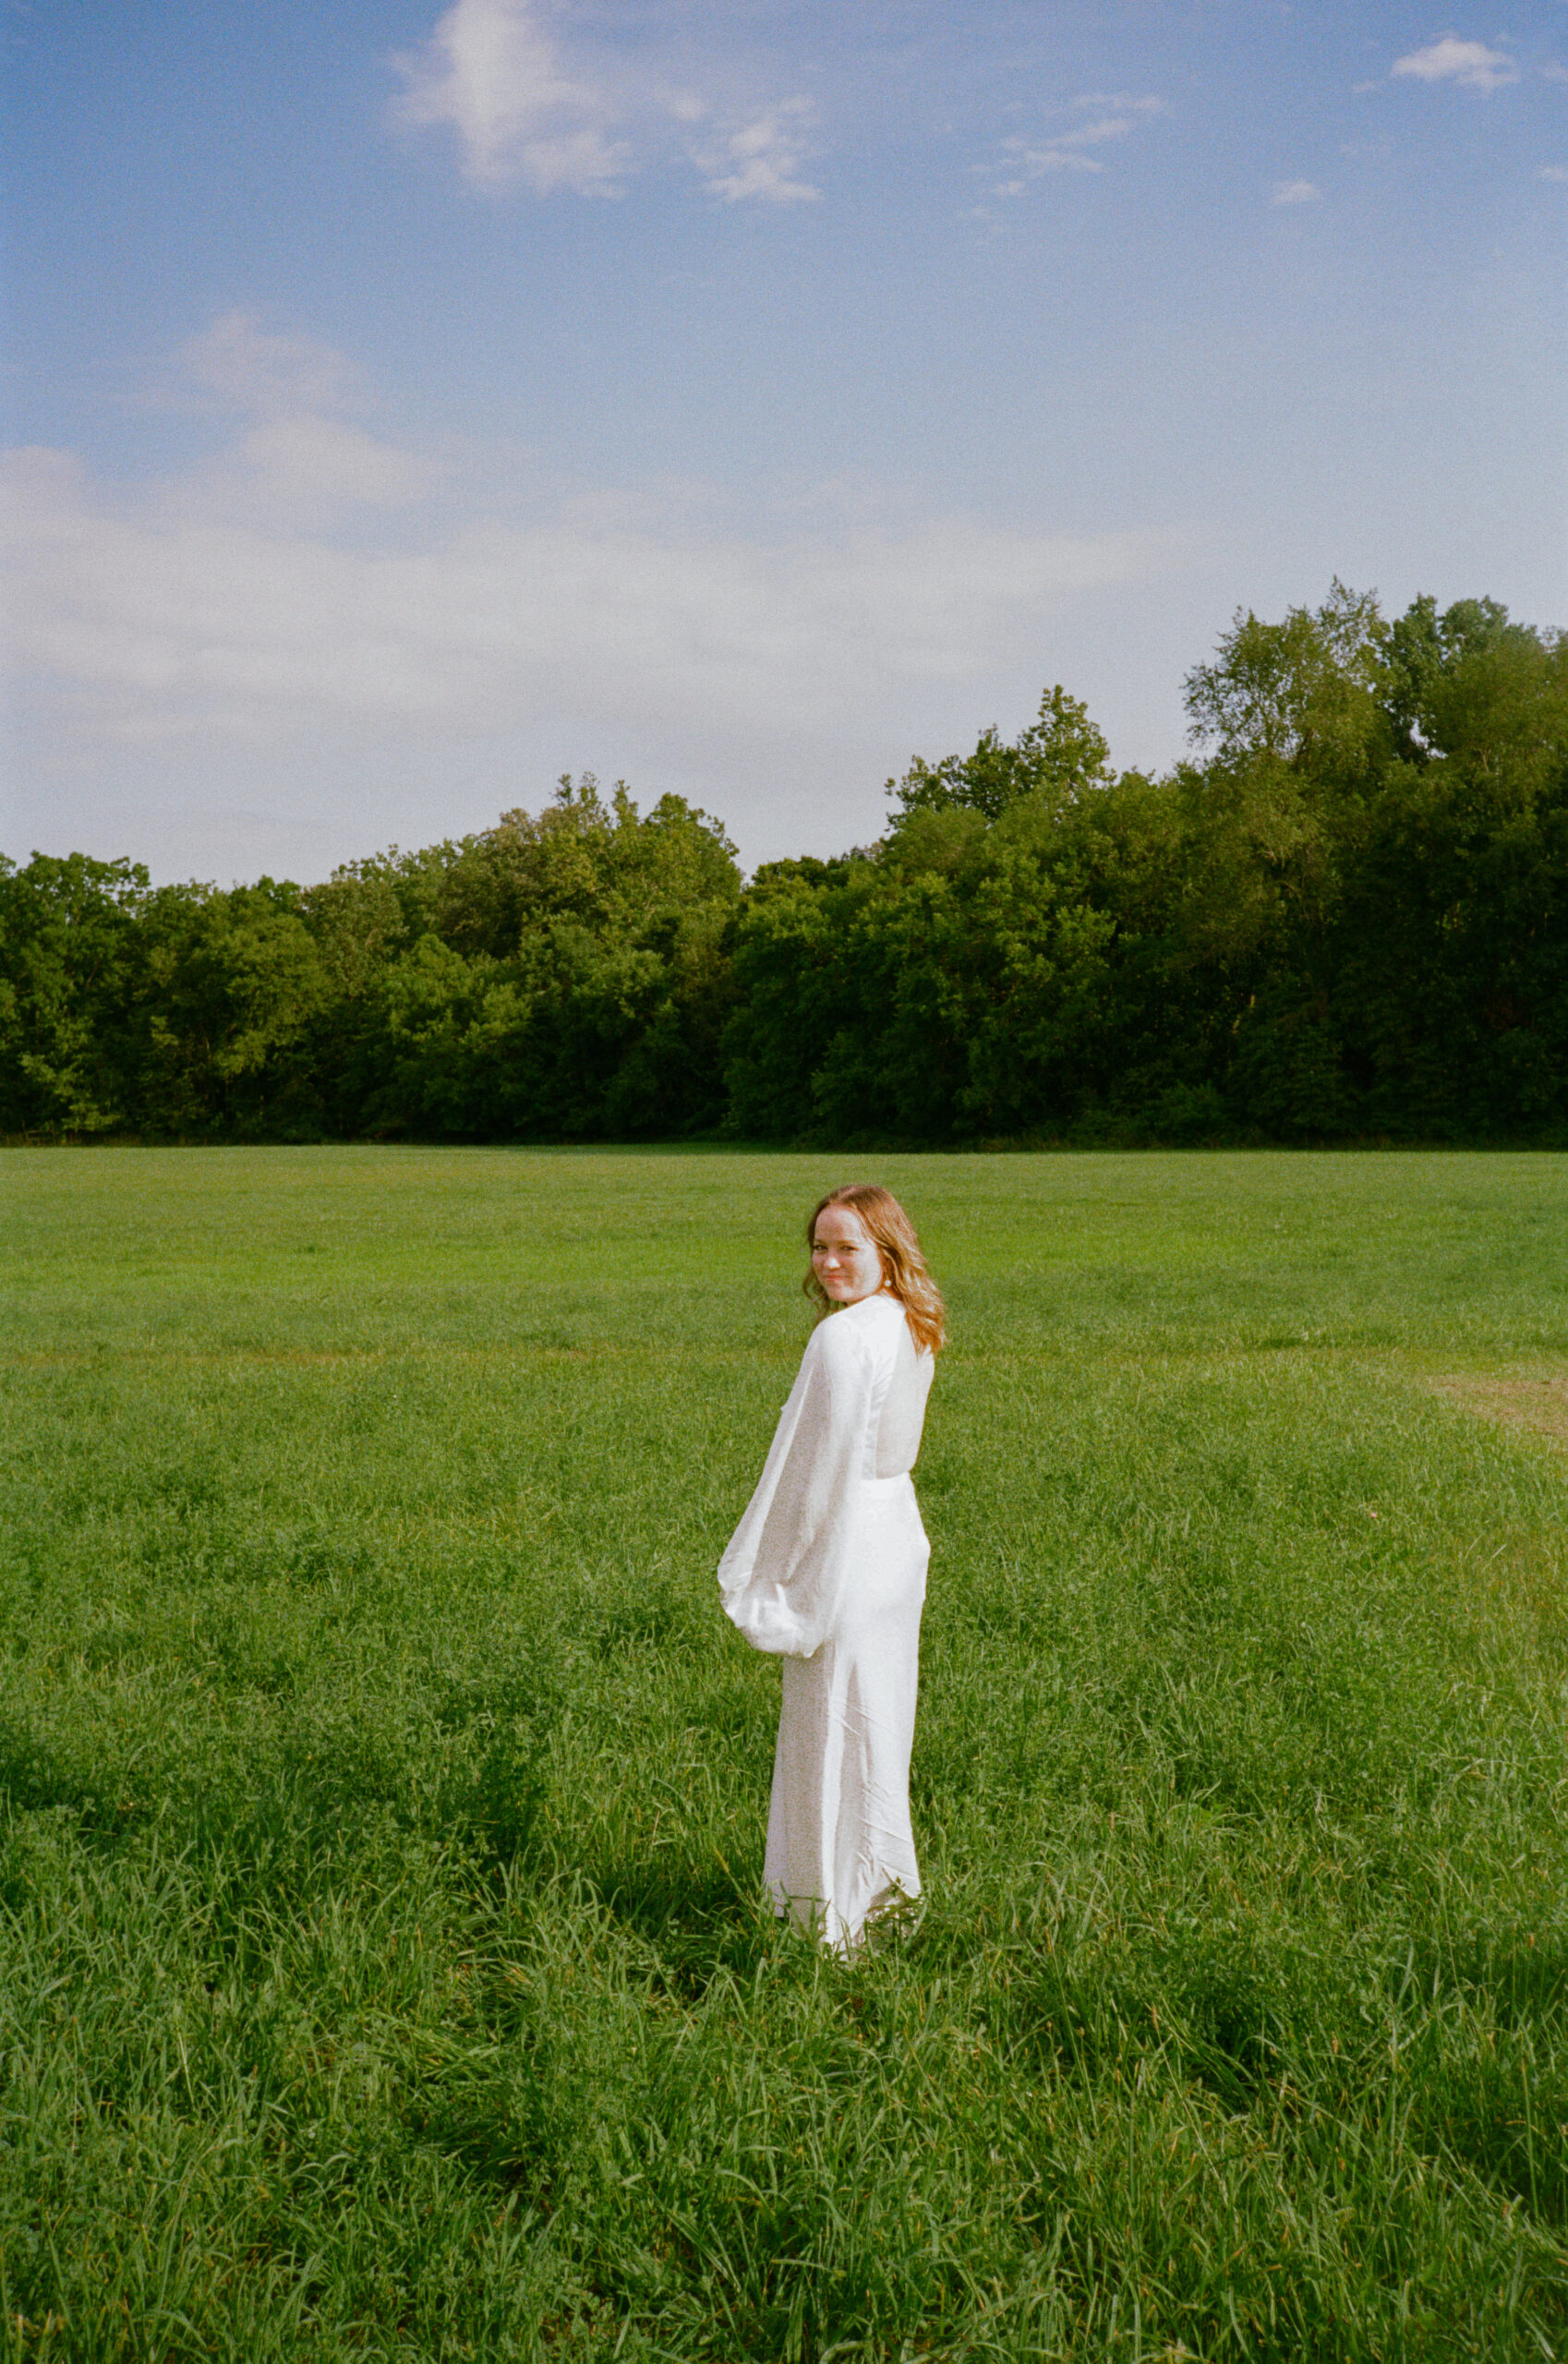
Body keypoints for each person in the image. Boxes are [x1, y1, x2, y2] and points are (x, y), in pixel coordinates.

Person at [718, 1184, 946, 1953]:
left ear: (886, 1251)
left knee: (827, 1730)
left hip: (852, 1545)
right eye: (819, 1247)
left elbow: (814, 1474)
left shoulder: (842, 1340)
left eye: (847, 1246)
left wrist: (773, 1573)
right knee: (880, 1725)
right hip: (898, 1541)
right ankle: (881, 1897)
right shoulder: (913, 1323)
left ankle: (824, 1923)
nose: (829, 1262)